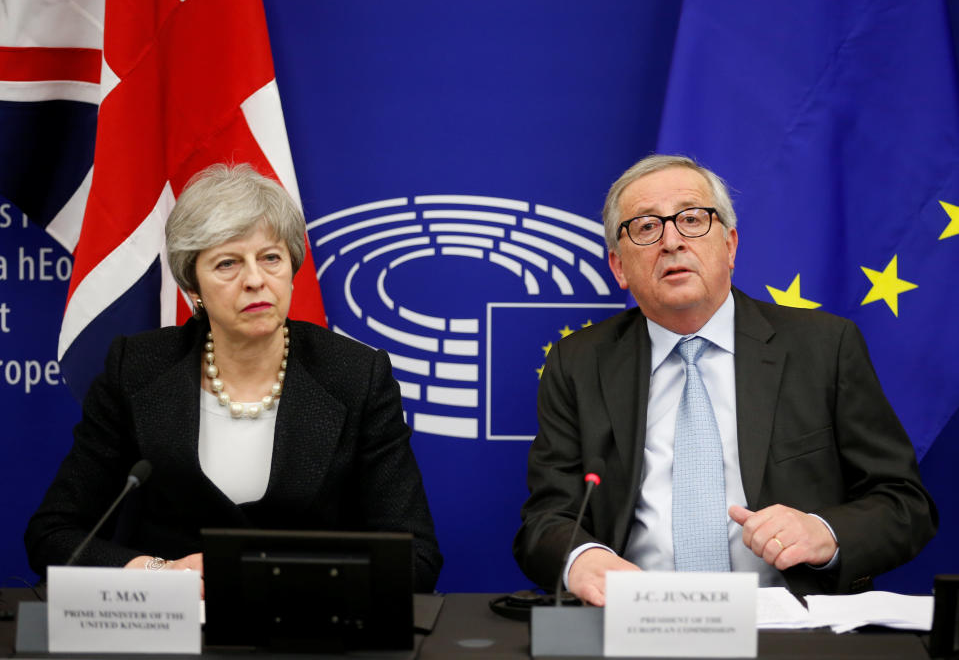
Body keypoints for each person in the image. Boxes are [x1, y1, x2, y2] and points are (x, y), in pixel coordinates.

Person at [513, 154, 936, 604]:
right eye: (645, 227)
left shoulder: (824, 347)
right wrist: (583, 557)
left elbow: (904, 504)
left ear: (730, 246)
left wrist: (824, 533)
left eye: (692, 219)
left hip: (790, 623)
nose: (672, 241)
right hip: (636, 619)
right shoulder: (578, 363)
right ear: (619, 267)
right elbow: (546, 518)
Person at [25, 164, 442, 592]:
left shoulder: (356, 376)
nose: (256, 280)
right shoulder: (136, 370)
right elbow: (53, 535)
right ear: (194, 286)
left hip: (309, 633)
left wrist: (283, 580)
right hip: (169, 631)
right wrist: (162, 575)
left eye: (270, 258)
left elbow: (416, 557)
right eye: (228, 264)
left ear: (291, 268)